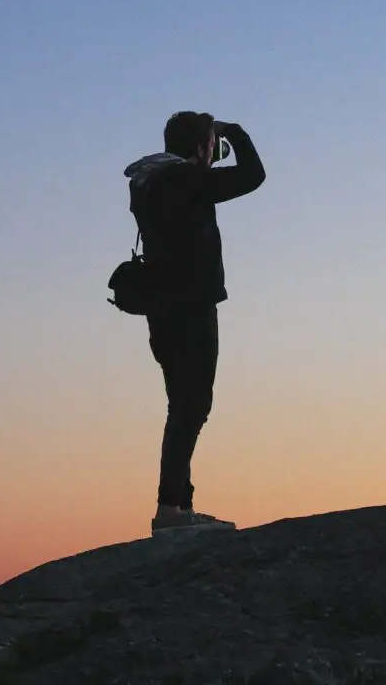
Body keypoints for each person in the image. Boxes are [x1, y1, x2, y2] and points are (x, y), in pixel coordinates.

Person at [122, 111, 266, 536]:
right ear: (203, 146)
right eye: (211, 146)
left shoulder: (150, 182)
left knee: (181, 405)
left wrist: (205, 145)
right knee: (193, 405)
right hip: (190, 307)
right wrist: (234, 132)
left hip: (161, 310)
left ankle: (179, 505)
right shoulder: (185, 181)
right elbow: (253, 176)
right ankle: (172, 509)